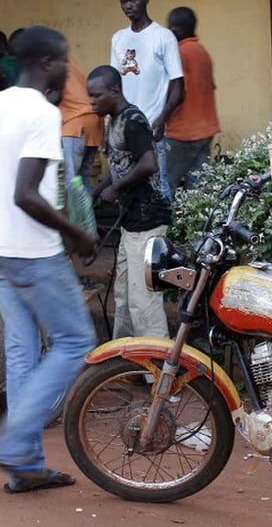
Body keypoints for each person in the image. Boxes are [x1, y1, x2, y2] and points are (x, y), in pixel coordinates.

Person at [0, 25, 98, 494]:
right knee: (74, 340)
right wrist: (75, 233)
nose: (67, 68)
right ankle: (17, 442)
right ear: (45, 64)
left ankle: (26, 468)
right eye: (64, 60)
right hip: (30, 251)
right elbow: (25, 194)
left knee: (22, 348)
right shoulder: (41, 112)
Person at [88, 65, 171, 340]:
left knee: (143, 300)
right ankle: (125, 359)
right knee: (123, 296)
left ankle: (157, 368)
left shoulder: (133, 120)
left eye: (97, 96)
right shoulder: (115, 120)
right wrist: (99, 188)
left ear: (115, 90)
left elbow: (148, 164)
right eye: (90, 96)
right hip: (131, 222)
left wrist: (116, 187)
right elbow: (123, 163)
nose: (92, 102)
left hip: (148, 221)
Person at [111, 0, 184, 200]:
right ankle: (133, 235)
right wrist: (109, 127)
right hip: (123, 132)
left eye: (133, 0)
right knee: (125, 189)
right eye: (124, 1)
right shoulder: (118, 39)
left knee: (159, 191)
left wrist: (162, 119)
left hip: (151, 129)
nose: (128, 6)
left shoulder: (163, 37)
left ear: (146, 0)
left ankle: (164, 235)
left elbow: (179, 88)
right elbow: (114, 85)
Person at [165, 6, 220, 192]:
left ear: (179, 29)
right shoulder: (202, 52)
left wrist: (159, 120)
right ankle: (194, 222)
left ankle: (163, 222)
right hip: (205, 130)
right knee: (198, 190)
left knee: (166, 184)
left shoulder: (179, 54)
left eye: (172, 27)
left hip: (182, 133)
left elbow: (175, 93)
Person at [50, 57, 104, 195]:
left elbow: (55, 96)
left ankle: (73, 217)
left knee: (70, 182)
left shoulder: (52, 64)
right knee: (83, 179)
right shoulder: (70, 62)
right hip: (93, 122)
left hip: (74, 124)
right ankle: (87, 217)